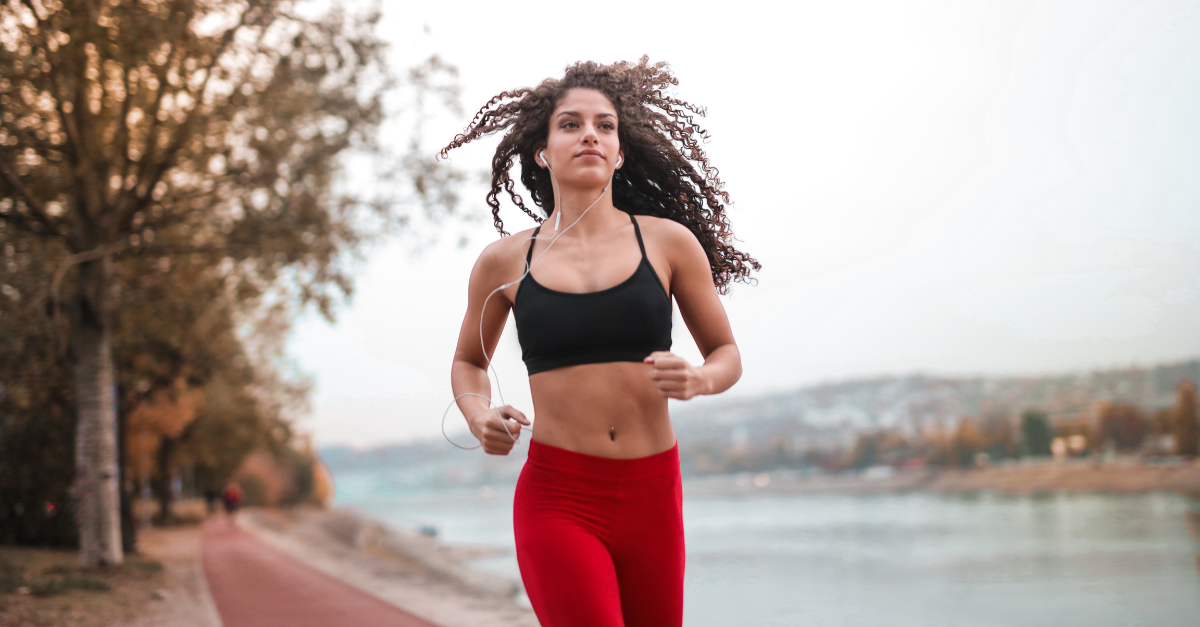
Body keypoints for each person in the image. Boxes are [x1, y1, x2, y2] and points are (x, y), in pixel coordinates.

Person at [443, 58, 758, 627]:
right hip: (558, 497)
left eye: (605, 125)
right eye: (570, 124)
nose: (590, 133)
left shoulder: (668, 244)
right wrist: (477, 414)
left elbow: (726, 354)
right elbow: (469, 361)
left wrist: (700, 378)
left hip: (653, 494)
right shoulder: (504, 262)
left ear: (620, 151)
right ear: (542, 151)